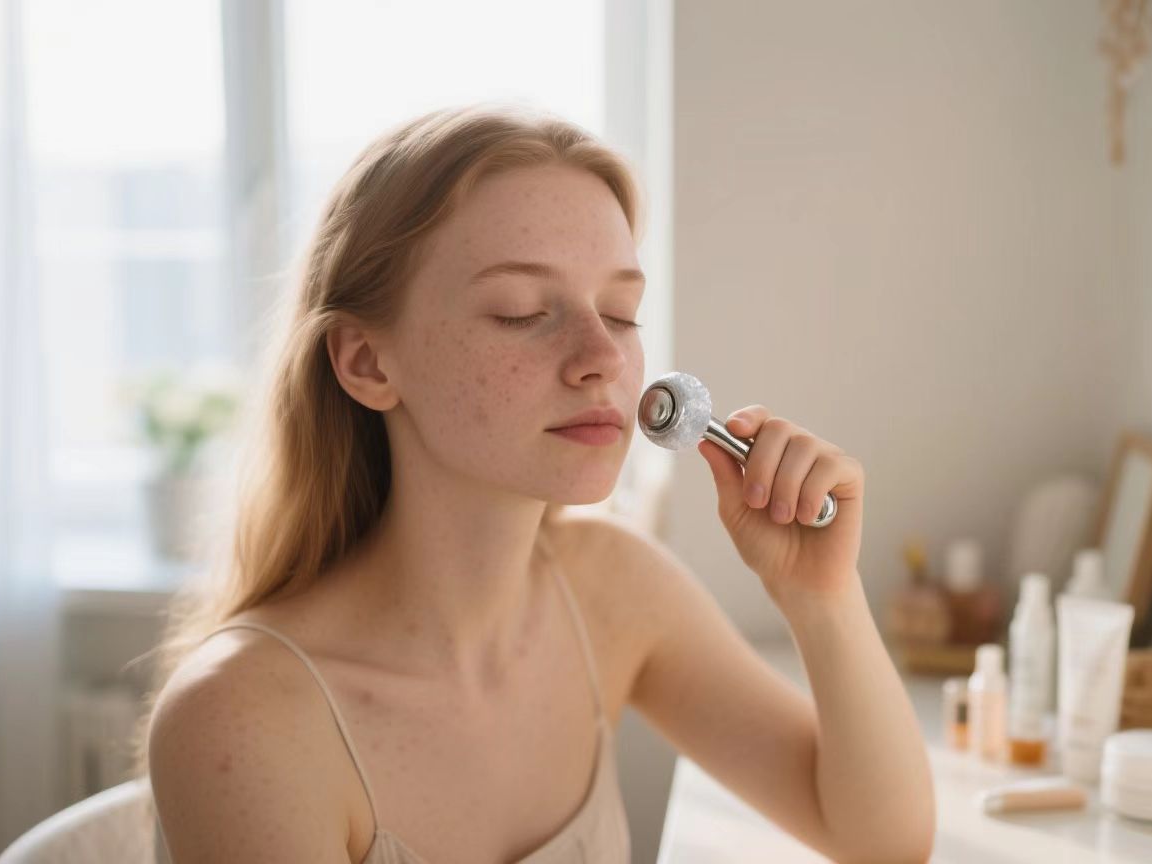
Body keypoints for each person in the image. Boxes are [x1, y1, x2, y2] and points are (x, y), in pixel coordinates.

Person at [143, 103, 934, 863]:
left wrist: (821, 597)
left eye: (622, 312)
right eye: (522, 311)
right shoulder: (242, 721)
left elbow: (880, 839)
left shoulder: (611, 588)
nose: (603, 357)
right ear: (367, 362)